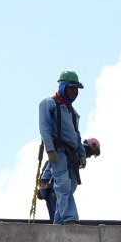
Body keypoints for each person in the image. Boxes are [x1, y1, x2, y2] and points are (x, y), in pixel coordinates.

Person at [38, 71, 95, 225]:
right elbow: (45, 129)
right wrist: (50, 150)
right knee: (63, 186)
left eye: (75, 89)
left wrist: (82, 154)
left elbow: (76, 134)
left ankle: (58, 222)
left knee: (70, 188)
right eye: (71, 88)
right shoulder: (49, 104)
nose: (73, 92)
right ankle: (69, 218)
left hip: (72, 155)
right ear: (63, 87)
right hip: (59, 152)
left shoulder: (72, 112)